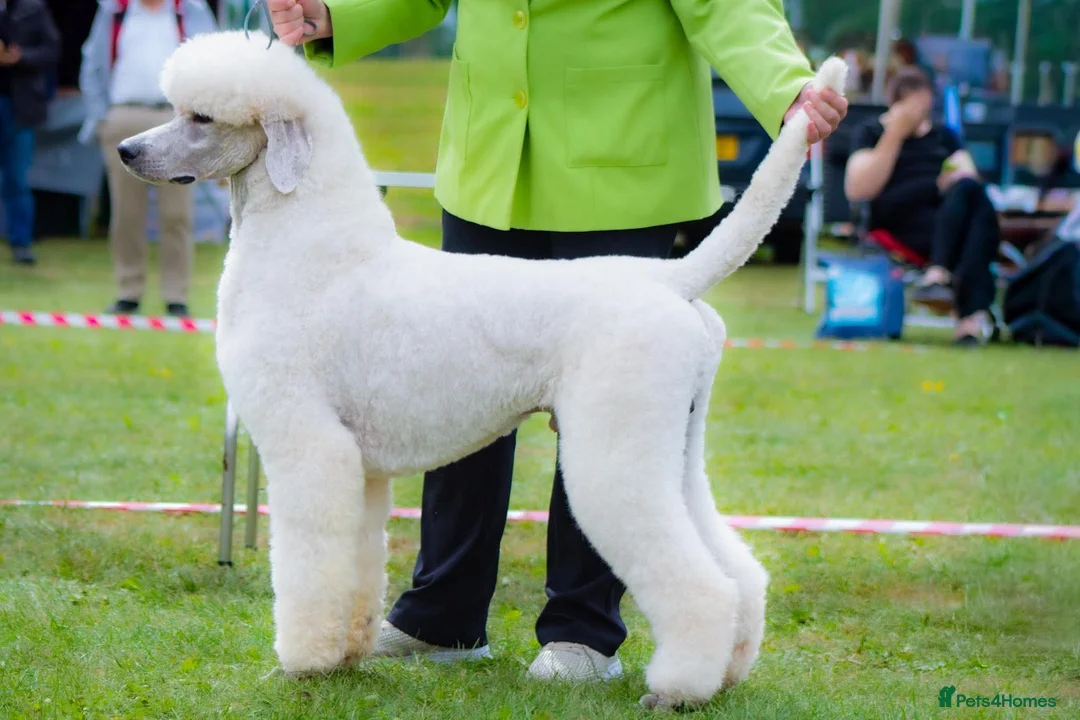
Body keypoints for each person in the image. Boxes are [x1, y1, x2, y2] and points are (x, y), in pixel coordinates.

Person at [269, 0, 847, 681]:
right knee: (451, 389)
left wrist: (786, 87)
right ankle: (442, 615)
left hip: (622, 162)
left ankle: (583, 631)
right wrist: (333, 11)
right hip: (489, 161)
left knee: (613, 428)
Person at [78, 0, 218, 317]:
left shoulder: (191, 10)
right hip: (124, 118)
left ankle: (176, 295)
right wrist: (102, 119)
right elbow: (93, 65)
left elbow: (213, 63)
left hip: (175, 121)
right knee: (127, 214)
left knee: (177, 215)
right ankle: (128, 292)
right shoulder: (114, 11)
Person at [845, 66, 1001, 346]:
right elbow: (858, 189)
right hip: (898, 220)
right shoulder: (871, 131)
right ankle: (969, 317)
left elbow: (969, 177)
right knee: (977, 228)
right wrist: (894, 134)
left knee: (970, 193)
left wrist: (954, 178)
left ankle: (938, 273)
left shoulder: (943, 136)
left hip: (943, 214)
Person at [0, 0, 59, 266]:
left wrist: (19, 57)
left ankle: (21, 242)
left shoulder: (32, 8)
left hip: (19, 105)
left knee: (17, 177)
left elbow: (52, 49)